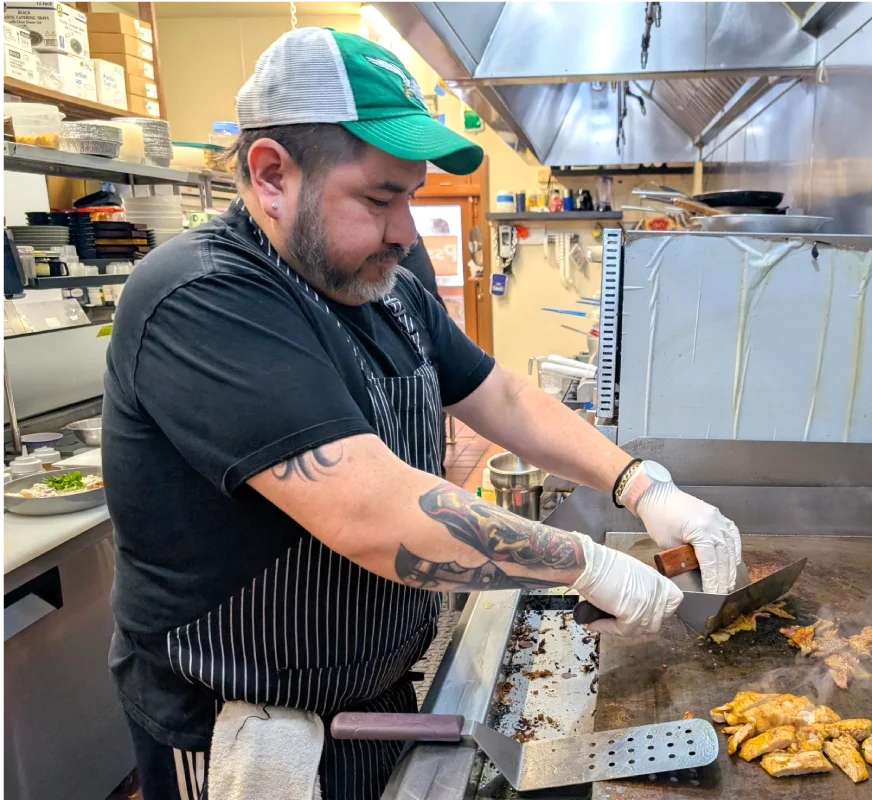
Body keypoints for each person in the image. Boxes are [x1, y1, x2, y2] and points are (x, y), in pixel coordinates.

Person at [102, 28, 742, 800]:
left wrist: (640, 484)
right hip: (246, 727)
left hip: (374, 694)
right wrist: (590, 563)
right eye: (380, 198)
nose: (407, 230)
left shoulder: (388, 281)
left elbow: (495, 392)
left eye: (410, 195)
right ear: (271, 174)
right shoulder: (201, 298)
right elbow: (375, 515)